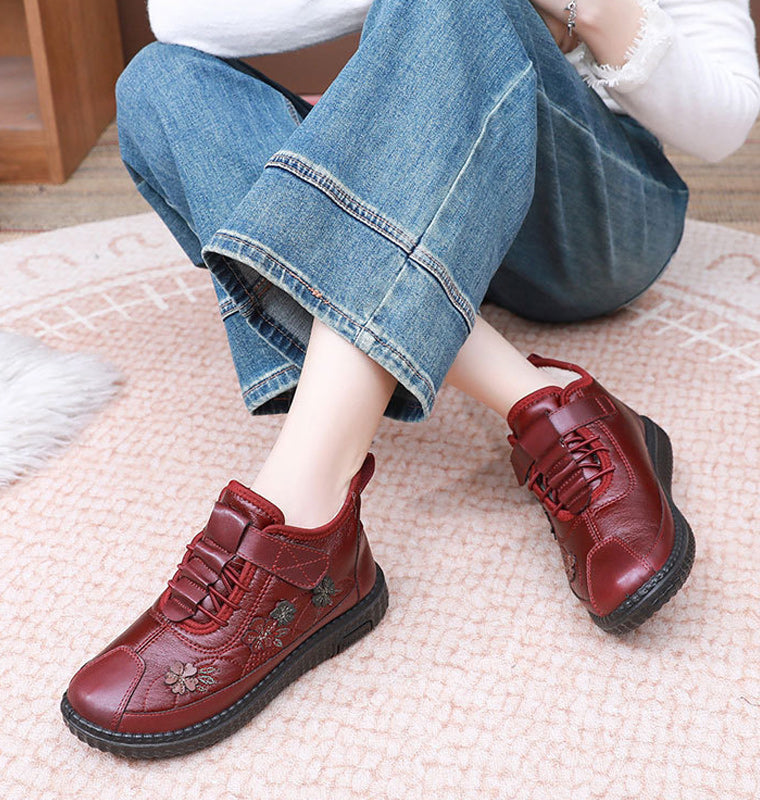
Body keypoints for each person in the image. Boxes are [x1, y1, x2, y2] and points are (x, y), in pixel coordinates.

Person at [60, 0, 760, 757]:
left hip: (593, 217)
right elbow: (183, 17)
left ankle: (301, 516)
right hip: (428, 166)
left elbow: (724, 121)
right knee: (162, 85)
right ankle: (536, 398)